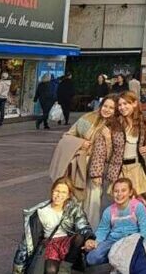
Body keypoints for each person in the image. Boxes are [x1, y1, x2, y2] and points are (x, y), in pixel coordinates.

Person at [52, 94, 121, 227]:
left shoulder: (117, 126)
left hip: (99, 168)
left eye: (111, 108)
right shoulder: (88, 118)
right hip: (80, 164)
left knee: (93, 201)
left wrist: (107, 139)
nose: (107, 110)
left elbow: (115, 153)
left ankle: (90, 232)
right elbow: (68, 135)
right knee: (76, 198)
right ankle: (71, 229)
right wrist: (81, 143)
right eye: (105, 106)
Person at [13, 177, 94, 274]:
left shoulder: (74, 209)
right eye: (57, 191)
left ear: (68, 195)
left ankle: (65, 268)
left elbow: (83, 225)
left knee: (79, 237)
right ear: (52, 191)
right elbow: (26, 243)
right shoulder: (41, 212)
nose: (59, 195)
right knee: (50, 270)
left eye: (64, 192)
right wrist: (18, 268)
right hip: (51, 244)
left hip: (68, 243)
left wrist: (89, 238)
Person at [113, 91, 146, 214]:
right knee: (126, 207)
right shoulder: (115, 124)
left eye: (126, 104)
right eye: (120, 105)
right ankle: (127, 231)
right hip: (121, 169)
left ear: (134, 103)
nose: (122, 107)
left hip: (138, 167)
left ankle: (144, 229)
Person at [84, 177, 146, 266]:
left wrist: (140, 246)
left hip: (131, 241)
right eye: (116, 191)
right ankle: (112, 257)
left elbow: (145, 229)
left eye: (123, 190)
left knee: (134, 258)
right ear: (112, 193)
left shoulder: (138, 207)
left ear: (130, 192)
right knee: (91, 258)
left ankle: (117, 258)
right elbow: (102, 230)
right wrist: (96, 242)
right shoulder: (109, 211)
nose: (119, 194)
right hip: (113, 241)